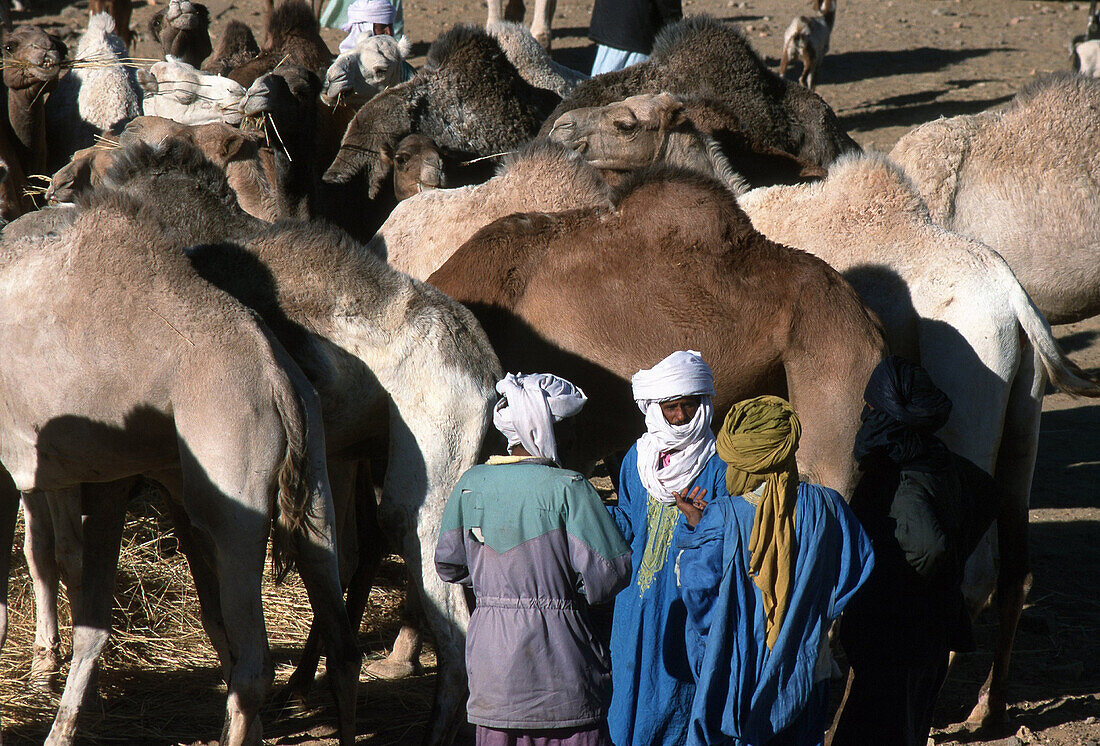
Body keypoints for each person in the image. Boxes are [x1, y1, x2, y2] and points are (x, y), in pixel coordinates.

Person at [435, 372, 632, 746]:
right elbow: (610, 573)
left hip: (493, 669)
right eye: (569, 427)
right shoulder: (570, 488)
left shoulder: (470, 483)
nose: (575, 438)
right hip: (561, 668)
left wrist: (495, 577)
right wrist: (559, 581)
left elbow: (448, 563)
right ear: (546, 428)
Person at [670, 395, 874, 746]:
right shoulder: (828, 506)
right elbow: (857, 567)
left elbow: (695, 590)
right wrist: (811, 617)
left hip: (737, 668)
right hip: (805, 668)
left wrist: (694, 526)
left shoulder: (721, 516)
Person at [831, 356, 1000, 746]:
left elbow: (928, 546)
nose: (864, 414)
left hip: (896, 636)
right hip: (932, 634)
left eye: (871, 407)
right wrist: (953, 561)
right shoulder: (940, 459)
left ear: (890, 414)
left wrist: (895, 589)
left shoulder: (900, 477)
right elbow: (989, 495)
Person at [606, 350, 727, 746]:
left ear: (702, 406)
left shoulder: (718, 465)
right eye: (670, 407)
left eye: (687, 407)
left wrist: (699, 522)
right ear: (655, 408)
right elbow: (627, 519)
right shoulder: (636, 461)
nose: (678, 417)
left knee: (681, 690)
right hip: (634, 605)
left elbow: (728, 536)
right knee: (628, 686)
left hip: (688, 602)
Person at [588, 0, 682, 76]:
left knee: (601, 88)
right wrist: (675, 31)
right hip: (637, 32)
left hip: (609, 26)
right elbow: (669, 7)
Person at [321, 0, 404, 54]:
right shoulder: (346, 66)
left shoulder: (396, 62)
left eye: (391, 26)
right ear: (365, 28)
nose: (389, 32)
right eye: (382, 28)